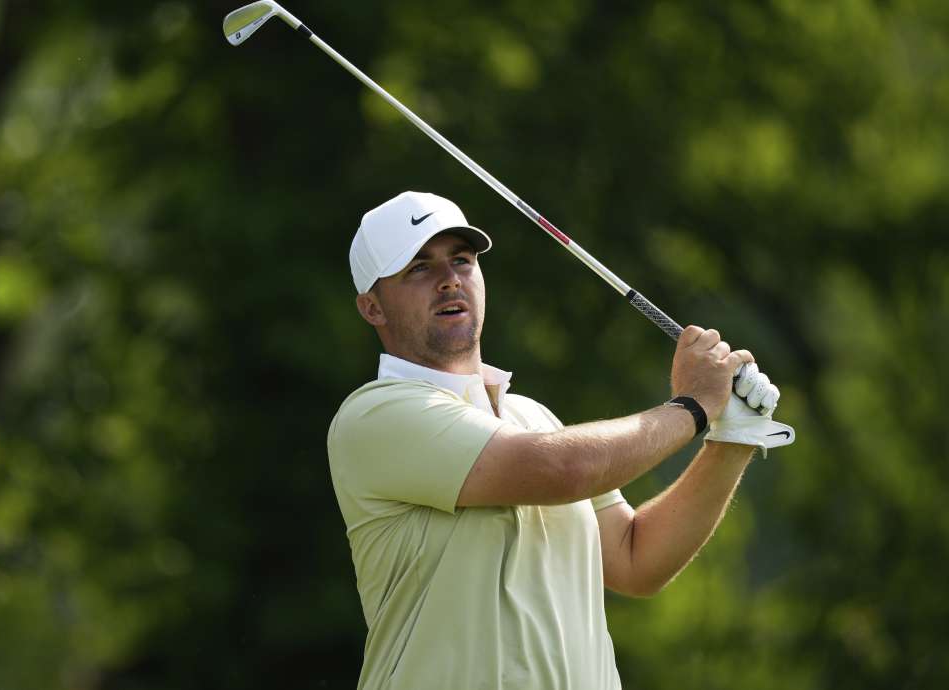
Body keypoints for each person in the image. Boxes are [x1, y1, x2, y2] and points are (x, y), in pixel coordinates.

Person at [326, 191, 793, 690]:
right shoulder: (375, 415)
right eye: (418, 268)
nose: (449, 280)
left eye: (461, 260)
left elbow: (637, 560)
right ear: (372, 307)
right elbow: (559, 471)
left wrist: (730, 439)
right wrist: (693, 406)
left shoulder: (533, 418)